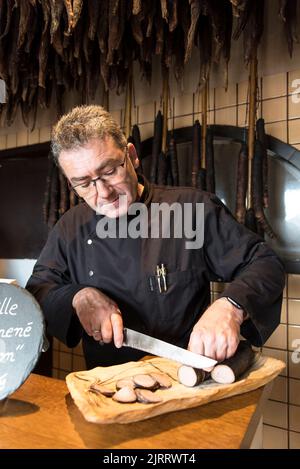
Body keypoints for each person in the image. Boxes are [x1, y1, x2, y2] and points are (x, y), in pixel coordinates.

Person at [26, 105, 285, 370]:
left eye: (109, 171)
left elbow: (265, 263)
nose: (103, 192)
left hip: (188, 382)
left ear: (131, 156)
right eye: (84, 183)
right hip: (109, 390)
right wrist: (78, 297)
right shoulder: (70, 227)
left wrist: (230, 306)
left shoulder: (190, 210)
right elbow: (38, 290)